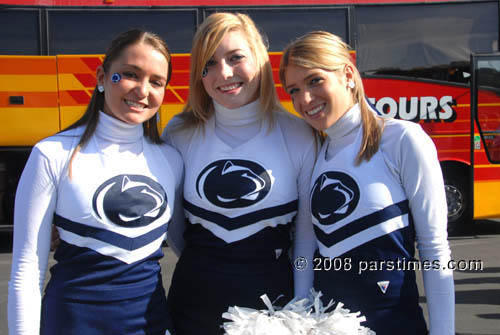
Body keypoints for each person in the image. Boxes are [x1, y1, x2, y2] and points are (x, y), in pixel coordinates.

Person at [8, 29, 182, 335]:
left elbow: (183, 241)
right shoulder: (52, 155)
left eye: (156, 81)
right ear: (102, 77)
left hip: (151, 325)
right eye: (130, 74)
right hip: (71, 325)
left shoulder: (171, 159)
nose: (142, 90)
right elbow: (26, 270)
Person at [279, 31, 455, 335]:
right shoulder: (315, 152)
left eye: (314, 81)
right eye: (293, 89)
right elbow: (305, 248)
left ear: (348, 75)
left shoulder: (402, 140)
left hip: (396, 326)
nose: (304, 100)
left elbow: (434, 249)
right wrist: (300, 317)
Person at [163, 12, 317, 335]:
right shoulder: (179, 133)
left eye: (236, 58)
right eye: (210, 63)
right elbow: (175, 230)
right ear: (199, 75)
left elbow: (304, 241)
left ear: (260, 61)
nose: (224, 73)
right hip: (194, 304)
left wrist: (301, 308)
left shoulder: (298, 134)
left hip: (274, 306)